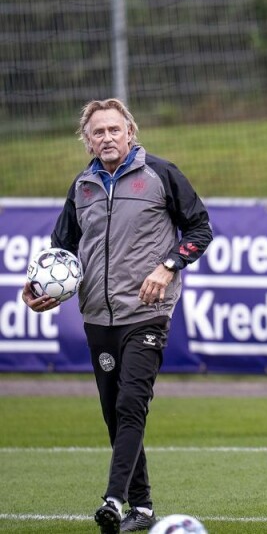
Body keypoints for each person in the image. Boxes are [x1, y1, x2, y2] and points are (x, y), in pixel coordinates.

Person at [21, 98, 213, 532]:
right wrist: (41, 290)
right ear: (87, 141)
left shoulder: (161, 174)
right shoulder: (81, 188)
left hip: (147, 312)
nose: (107, 137)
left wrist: (168, 267)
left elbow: (201, 228)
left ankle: (114, 499)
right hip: (97, 318)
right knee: (114, 411)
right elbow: (61, 251)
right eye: (98, 132)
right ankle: (142, 509)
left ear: (130, 133)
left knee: (131, 403)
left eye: (114, 129)